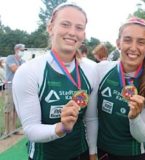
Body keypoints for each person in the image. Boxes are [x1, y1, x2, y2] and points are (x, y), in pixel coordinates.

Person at [12, 2, 97, 160]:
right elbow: (31, 129)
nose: (72, 32)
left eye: (79, 28)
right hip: (44, 156)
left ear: (83, 35)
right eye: (65, 24)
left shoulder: (91, 69)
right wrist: (62, 127)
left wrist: (92, 153)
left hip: (81, 154)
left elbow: (91, 118)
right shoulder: (29, 71)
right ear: (50, 28)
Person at [95, 16, 145, 160]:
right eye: (127, 40)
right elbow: (91, 117)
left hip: (134, 155)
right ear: (118, 43)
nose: (133, 48)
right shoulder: (102, 69)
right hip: (102, 152)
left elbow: (143, 137)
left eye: (141, 42)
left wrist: (135, 118)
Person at [4, 43, 26, 136]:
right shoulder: (10, 57)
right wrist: (25, 67)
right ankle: (6, 131)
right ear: (16, 50)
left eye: (24, 50)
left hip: (18, 86)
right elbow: (14, 69)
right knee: (8, 109)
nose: (23, 52)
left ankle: (13, 129)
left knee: (16, 109)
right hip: (10, 86)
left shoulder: (23, 61)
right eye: (22, 50)